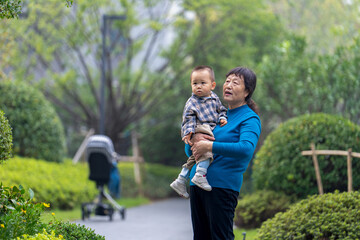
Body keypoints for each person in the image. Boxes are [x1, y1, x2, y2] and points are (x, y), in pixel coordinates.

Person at [187, 66, 261, 240]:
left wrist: (209, 147)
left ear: (246, 92)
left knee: (221, 237)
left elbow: (246, 149)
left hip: (222, 186)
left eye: (235, 82)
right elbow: (192, 150)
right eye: (227, 81)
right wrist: (191, 139)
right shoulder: (216, 114)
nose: (228, 85)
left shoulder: (249, 118)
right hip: (197, 184)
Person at [170, 65, 228, 199]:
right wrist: (189, 132)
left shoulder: (214, 98)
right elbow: (188, 118)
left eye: (203, 83)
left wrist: (223, 118)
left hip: (210, 128)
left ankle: (181, 179)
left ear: (212, 85)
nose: (199, 86)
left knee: (196, 155)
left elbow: (221, 110)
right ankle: (200, 175)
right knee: (207, 150)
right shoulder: (192, 102)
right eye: (195, 83)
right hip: (199, 128)